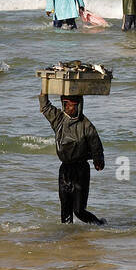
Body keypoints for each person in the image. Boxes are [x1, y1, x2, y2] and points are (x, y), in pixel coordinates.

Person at [39, 92, 106, 224]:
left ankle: (100, 225)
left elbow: (96, 146)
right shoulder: (58, 119)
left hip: (81, 170)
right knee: (65, 211)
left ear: (79, 106)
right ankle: (69, 240)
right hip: (65, 169)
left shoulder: (86, 125)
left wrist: (98, 161)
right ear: (63, 105)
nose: (70, 108)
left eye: (73, 105)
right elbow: (45, 108)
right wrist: (44, 91)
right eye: (67, 105)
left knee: (79, 210)